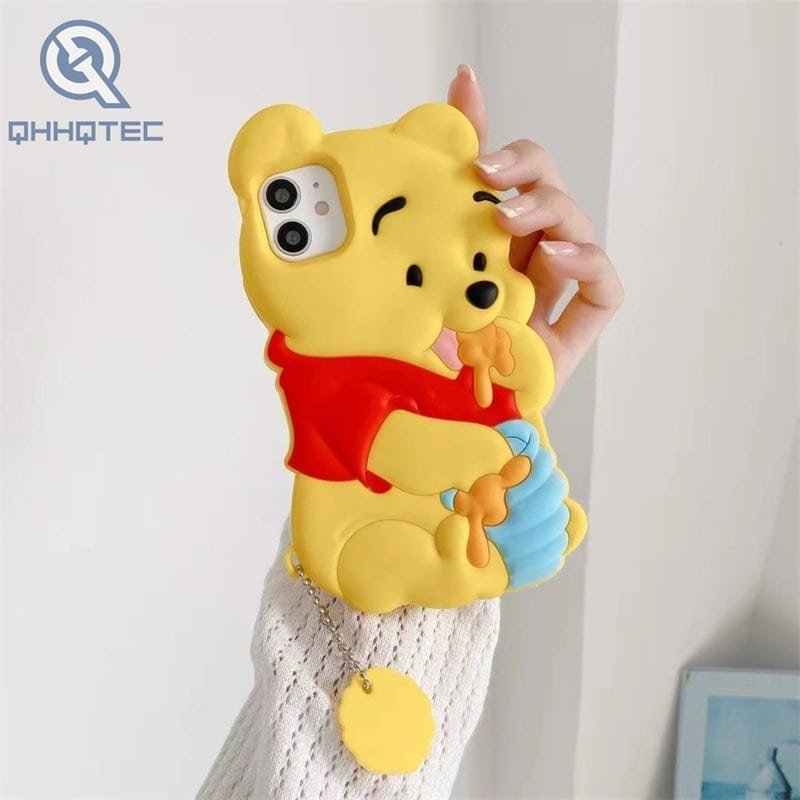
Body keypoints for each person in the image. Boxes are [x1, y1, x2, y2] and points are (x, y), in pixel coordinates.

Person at [197, 64, 624, 800]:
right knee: (381, 560)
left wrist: (512, 390)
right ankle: (457, 558)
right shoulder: (330, 379)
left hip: (468, 507)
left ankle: (507, 541)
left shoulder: (448, 347)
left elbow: (515, 381)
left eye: (480, 264)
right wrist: (478, 454)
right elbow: (399, 445)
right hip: (357, 538)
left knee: (487, 522)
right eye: (421, 275)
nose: (478, 287)